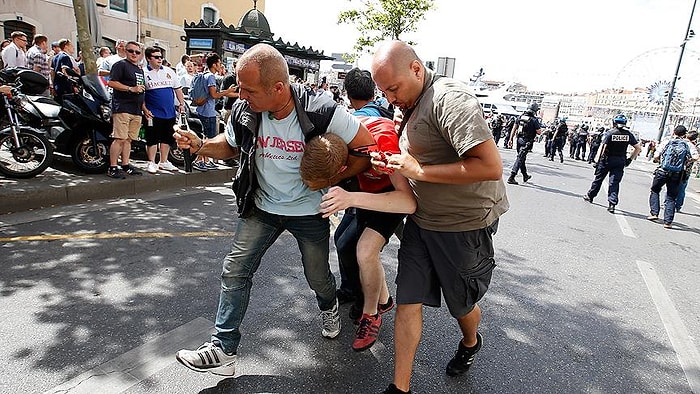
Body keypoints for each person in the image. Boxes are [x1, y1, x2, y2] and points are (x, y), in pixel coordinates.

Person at [172, 43, 375, 376]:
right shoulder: (244, 111)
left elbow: (365, 147)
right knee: (235, 270)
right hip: (261, 206)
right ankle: (223, 349)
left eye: (249, 89)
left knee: (318, 276)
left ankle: (329, 305)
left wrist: (334, 177)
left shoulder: (322, 111)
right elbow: (231, 145)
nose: (240, 95)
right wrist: (199, 145)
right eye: (240, 87)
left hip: (308, 211)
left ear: (278, 88)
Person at [371, 40, 509, 394]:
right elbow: (416, 157)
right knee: (407, 301)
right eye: (384, 91)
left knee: (461, 305)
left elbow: (490, 166)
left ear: (416, 69)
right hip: (420, 221)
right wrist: (394, 164)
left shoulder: (450, 99)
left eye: (393, 88)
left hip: (462, 226)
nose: (389, 99)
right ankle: (399, 388)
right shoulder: (408, 103)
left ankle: (470, 341)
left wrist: (419, 170)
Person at [300, 119, 416, 352]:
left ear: (342, 171)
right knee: (346, 244)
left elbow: (408, 203)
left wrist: (351, 198)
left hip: (392, 197)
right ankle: (384, 300)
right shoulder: (328, 138)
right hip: (364, 193)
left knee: (365, 251)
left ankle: (370, 315)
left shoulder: (382, 145)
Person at [583, 114, 641, 213]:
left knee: (598, 179)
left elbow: (603, 147)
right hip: (620, 161)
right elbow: (638, 148)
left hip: (606, 160)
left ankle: (590, 196)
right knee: (614, 182)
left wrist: (597, 160)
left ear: (614, 122)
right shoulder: (628, 134)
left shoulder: (610, 133)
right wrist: (629, 159)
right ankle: (612, 204)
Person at [142, 46, 185, 174]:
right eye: (156, 57)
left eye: (161, 57)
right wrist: (144, 109)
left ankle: (164, 161)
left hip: (169, 112)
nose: (160, 59)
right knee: (152, 138)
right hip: (153, 113)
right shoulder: (143, 72)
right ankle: (151, 162)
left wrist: (181, 104)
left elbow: (178, 89)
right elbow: (140, 94)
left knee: (167, 138)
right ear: (149, 58)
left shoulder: (169, 71)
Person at [105, 41, 145, 179]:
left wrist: (144, 108)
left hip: (136, 109)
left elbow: (141, 89)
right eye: (131, 51)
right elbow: (111, 82)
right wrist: (130, 89)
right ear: (125, 51)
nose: (134, 54)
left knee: (128, 140)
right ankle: (113, 167)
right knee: (120, 138)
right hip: (122, 107)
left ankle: (126, 165)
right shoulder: (120, 65)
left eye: (137, 52)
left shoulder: (139, 69)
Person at [192, 53, 237, 171]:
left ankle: (205, 160)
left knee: (206, 135)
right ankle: (199, 160)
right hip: (208, 111)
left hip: (204, 110)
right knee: (208, 137)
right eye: (219, 63)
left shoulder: (205, 75)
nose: (221, 65)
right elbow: (214, 95)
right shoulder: (210, 77)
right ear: (214, 64)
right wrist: (228, 91)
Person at [647, 125, 699, 228]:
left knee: (655, 190)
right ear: (684, 134)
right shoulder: (688, 144)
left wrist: (659, 160)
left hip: (663, 171)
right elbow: (696, 157)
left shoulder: (667, 142)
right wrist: (686, 161)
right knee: (671, 197)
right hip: (677, 174)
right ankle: (668, 222)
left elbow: (657, 156)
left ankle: (654, 213)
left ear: (674, 132)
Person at [507, 103, 542, 184]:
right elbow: (539, 132)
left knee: (521, 157)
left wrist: (510, 139)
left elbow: (514, 128)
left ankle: (525, 175)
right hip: (527, 142)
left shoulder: (520, 117)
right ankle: (512, 176)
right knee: (520, 158)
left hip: (519, 140)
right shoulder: (534, 119)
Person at [675, 130, 698, 213]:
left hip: (674, 168)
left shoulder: (680, 142)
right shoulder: (693, 146)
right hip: (685, 171)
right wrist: (688, 160)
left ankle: (668, 202)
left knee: (671, 186)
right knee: (681, 189)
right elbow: (696, 157)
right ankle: (678, 206)